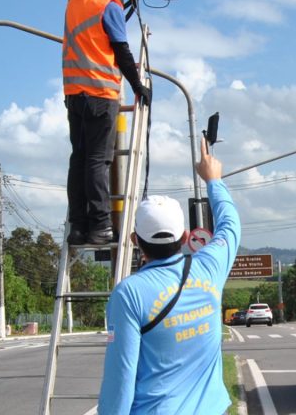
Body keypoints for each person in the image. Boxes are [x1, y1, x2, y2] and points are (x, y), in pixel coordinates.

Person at [98, 137, 239, 415]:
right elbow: (230, 225)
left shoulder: (130, 294)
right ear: (186, 237)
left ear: (135, 240)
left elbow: (121, 377)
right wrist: (214, 180)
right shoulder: (209, 268)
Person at [63, 0, 151, 246]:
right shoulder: (109, 6)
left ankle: (78, 226)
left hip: (74, 94)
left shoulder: (73, 2)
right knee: (97, 162)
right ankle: (100, 225)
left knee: (80, 159)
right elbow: (122, 52)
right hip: (100, 93)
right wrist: (138, 86)